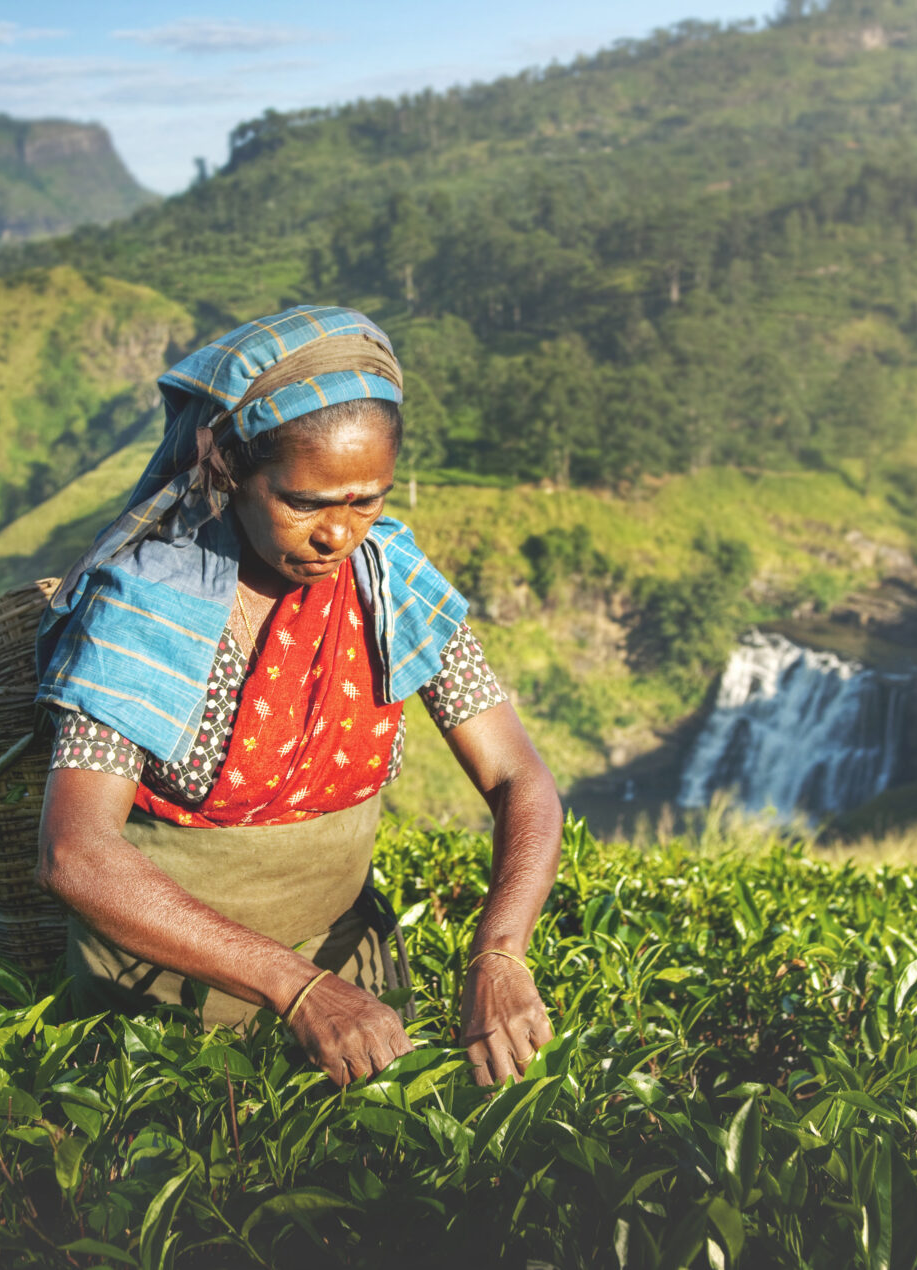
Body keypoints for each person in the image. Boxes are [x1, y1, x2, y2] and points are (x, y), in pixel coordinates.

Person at [33, 306, 563, 1087]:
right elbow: (75, 853)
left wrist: (501, 952)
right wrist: (296, 987)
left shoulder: (390, 581)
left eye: (366, 501)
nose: (337, 535)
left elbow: (520, 779)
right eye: (305, 503)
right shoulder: (149, 605)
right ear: (231, 468)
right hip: (158, 1012)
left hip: (357, 997)